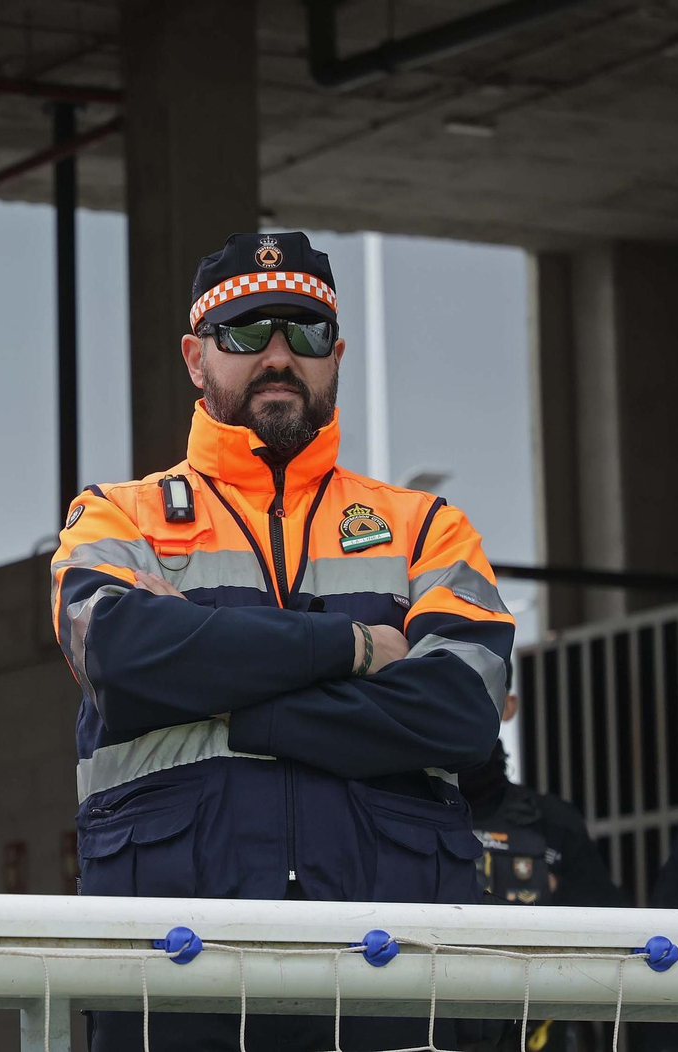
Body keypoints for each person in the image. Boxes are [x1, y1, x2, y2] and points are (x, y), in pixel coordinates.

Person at [52, 232, 515, 1052]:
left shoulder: (428, 529)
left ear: (335, 355)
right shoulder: (115, 517)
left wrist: (236, 710)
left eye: (302, 334)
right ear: (196, 358)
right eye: (244, 333)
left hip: (393, 977)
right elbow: (121, 657)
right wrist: (356, 648)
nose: (276, 356)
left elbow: (461, 712)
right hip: (173, 975)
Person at [459, 671, 625, 1051]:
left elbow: (621, 934)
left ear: (508, 706)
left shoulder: (552, 822)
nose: (462, 703)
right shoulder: (401, 813)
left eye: (479, 689)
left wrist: (554, 894)